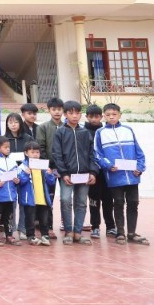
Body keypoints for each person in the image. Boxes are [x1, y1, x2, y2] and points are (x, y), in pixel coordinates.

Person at [94, 103, 148, 246]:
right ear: (104, 116)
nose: (111, 117)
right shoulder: (100, 133)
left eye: (114, 114)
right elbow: (97, 154)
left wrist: (140, 167)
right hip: (114, 176)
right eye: (108, 115)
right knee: (118, 203)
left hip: (132, 176)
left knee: (133, 203)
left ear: (119, 115)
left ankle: (131, 233)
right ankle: (120, 233)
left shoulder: (128, 130)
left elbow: (139, 152)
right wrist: (108, 165)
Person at [51, 100, 98, 245]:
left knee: (81, 203)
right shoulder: (60, 132)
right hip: (67, 175)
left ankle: (78, 233)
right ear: (65, 114)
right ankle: (68, 232)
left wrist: (93, 172)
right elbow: (57, 154)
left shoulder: (85, 133)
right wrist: (64, 173)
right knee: (65, 200)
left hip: (84, 175)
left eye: (77, 113)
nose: (74, 116)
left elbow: (92, 154)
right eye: (71, 113)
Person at [84, 104, 116, 240]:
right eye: (91, 116)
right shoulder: (82, 132)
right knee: (94, 201)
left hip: (107, 172)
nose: (94, 119)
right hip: (92, 173)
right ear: (87, 117)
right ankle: (95, 227)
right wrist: (91, 170)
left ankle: (110, 227)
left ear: (101, 117)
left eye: (97, 116)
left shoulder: (105, 131)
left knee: (108, 200)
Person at [17, 141, 55, 246]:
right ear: (26, 153)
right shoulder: (22, 167)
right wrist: (25, 174)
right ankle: (31, 236)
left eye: (37, 152)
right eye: (32, 152)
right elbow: (20, 182)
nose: (35, 154)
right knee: (30, 218)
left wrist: (50, 174)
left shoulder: (43, 166)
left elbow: (51, 182)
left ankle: (45, 235)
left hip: (42, 197)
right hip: (30, 198)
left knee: (44, 218)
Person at [36, 97, 64, 240]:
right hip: (49, 169)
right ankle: (48, 228)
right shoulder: (43, 127)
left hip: (65, 169)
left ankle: (67, 226)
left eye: (59, 109)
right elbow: (40, 147)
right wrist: (47, 166)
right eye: (54, 109)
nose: (57, 112)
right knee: (49, 199)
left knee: (66, 199)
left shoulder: (67, 127)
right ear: (49, 110)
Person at [0, 135, 21, 246]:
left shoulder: (12, 161)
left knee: (9, 217)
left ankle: (9, 235)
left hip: (10, 195)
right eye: (5, 147)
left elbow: (17, 176)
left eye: (8, 147)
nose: (8, 149)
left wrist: (17, 181)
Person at [4, 112, 32, 239]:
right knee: (12, 204)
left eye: (16, 122)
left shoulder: (27, 138)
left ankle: (23, 228)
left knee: (24, 202)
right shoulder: (4, 139)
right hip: (10, 175)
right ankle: (12, 228)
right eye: (10, 122)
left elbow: (32, 154)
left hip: (25, 174)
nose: (13, 125)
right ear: (7, 124)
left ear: (20, 123)